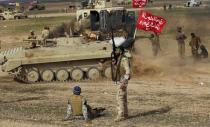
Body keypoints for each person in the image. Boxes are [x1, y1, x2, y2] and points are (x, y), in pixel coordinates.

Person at [112, 47, 131, 122]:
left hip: (123, 80)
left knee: (119, 98)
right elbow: (119, 70)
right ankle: (125, 114)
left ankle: (121, 115)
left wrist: (124, 82)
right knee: (123, 97)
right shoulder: (120, 58)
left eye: (116, 51)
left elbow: (128, 71)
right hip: (121, 80)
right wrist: (114, 65)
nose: (115, 52)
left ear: (120, 52)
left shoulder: (124, 59)